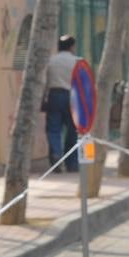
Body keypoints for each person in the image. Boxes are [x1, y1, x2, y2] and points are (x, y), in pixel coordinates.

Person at [44, 34, 80, 172]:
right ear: (72, 46)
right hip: (73, 98)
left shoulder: (51, 61)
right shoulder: (77, 61)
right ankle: (72, 163)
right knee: (73, 130)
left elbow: (45, 80)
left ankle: (56, 155)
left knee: (53, 128)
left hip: (55, 95)